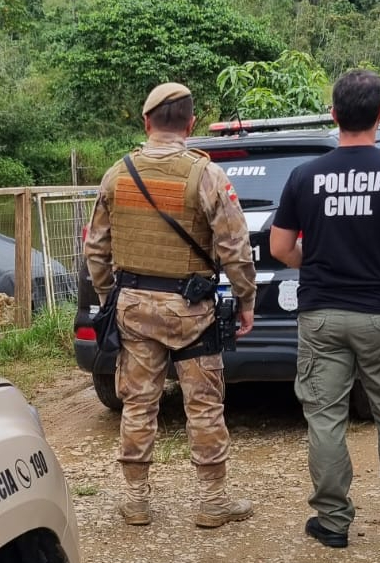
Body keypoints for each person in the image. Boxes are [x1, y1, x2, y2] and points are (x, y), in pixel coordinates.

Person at [270, 69, 380, 548]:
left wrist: (317, 261)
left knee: (325, 418)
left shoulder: (304, 176)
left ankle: (331, 522)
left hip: (321, 314)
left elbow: (281, 247)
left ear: (334, 115)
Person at [84, 82, 257, 527]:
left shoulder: (117, 174)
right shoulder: (207, 175)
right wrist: (245, 300)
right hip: (190, 312)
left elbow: (96, 249)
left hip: (133, 308)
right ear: (191, 123)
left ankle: (136, 501)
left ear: (146, 122)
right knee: (204, 405)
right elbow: (235, 247)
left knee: (138, 404)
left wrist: (108, 299)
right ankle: (212, 502)